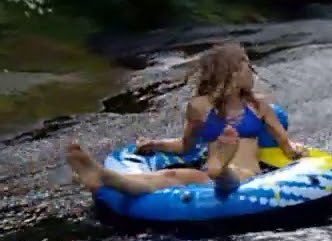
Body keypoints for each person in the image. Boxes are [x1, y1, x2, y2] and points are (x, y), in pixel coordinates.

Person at [65, 42, 306, 196]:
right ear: (233, 73)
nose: (252, 74)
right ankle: (102, 176)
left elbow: (285, 144)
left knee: (227, 174)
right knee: (170, 176)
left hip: (247, 177)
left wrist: (297, 152)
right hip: (207, 175)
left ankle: (221, 167)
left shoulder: (259, 106)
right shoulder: (199, 107)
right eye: (247, 68)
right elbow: (186, 146)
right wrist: (156, 145)